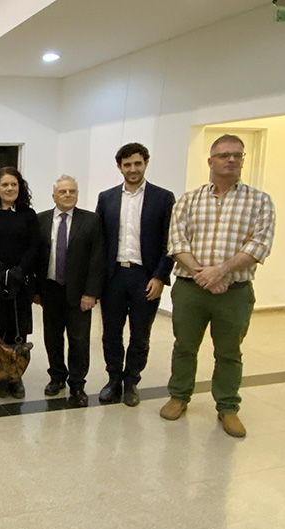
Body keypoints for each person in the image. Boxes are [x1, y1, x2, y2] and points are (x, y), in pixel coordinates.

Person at [161, 134, 275, 438]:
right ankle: (178, 396)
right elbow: (176, 242)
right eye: (224, 155)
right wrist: (202, 274)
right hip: (190, 288)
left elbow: (260, 245)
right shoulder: (189, 200)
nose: (232, 160)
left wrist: (221, 271)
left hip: (234, 291)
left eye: (238, 155)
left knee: (229, 352)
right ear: (210, 161)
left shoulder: (260, 201)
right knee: (184, 346)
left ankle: (227, 407)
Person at [95, 143, 176, 407]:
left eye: (137, 163)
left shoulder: (163, 198)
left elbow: (170, 242)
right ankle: (113, 379)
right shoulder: (106, 198)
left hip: (145, 277)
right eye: (127, 164)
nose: (133, 169)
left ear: (146, 164)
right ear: (119, 167)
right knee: (111, 334)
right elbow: (99, 241)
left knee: (140, 335)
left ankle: (131, 382)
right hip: (114, 276)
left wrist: (160, 277)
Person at [35, 175, 105, 408]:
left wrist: (91, 293)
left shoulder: (91, 221)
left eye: (72, 191)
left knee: (79, 340)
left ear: (77, 194)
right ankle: (57, 376)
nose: (67, 195)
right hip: (50, 289)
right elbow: (36, 258)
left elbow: (97, 259)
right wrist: (36, 290)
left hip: (79, 292)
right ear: (53, 196)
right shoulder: (41, 220)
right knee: (52, 337)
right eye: (62, 191)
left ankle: (77, 384)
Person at [0, 167, 41, 399]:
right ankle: (3, 376)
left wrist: (20, 271)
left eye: (14, 184)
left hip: (20, 283)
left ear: (20, 187)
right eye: (5, 184)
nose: (10, 188)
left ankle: (16, 377)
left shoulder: (28, 215)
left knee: (18, 331)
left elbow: (35, 246)